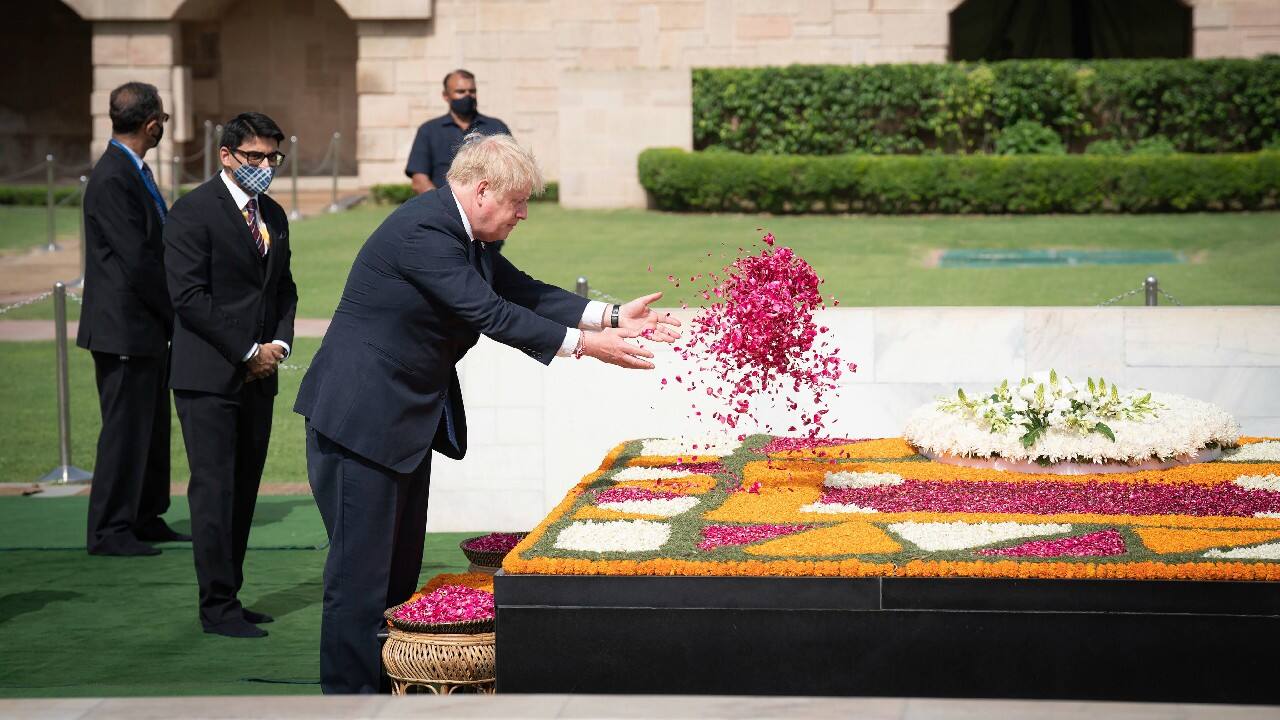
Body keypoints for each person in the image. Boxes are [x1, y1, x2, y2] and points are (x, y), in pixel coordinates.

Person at [296, 132, 681, 693]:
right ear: (481, 192)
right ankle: (348, 700)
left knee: (398, 576)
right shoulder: (426, 230)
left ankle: (386, 691)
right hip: (361, 423)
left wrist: (611, 314)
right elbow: (488, 311)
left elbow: (517, 288)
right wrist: (584, 345)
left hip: (401, 424)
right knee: (360, 579)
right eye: (518, 202)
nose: (523, 214)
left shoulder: (463, 232)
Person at [165, 112, 298, 638]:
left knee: (244, 491)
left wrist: (278, 346)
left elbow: (284, 288)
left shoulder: (275, 214)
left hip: (260, 375)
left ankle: (232, 595)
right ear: (226, 155)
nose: (265, 167)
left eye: (273, 158)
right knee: (215, 492)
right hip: (208, 375)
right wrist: (247, 350)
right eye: (255, 157)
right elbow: (189, 298)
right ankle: (215, 606)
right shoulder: (192, 212)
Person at [78, 81, 188, 557]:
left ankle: (144, 514)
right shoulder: (113, 177)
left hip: (144, 327)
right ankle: (109, 529)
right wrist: (180, 308)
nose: (162, 127)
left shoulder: (131, 170)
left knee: (149, 426)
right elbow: (137, 260)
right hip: (123, 326)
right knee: (124, 430)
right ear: (151, 124)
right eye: (162, 119)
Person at [405, 69, 511, 196]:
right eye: (460, 92)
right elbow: (419, 180)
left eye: (472, 91)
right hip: (444, 209)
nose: (467, 95)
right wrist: (441, 205)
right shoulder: (428, 130)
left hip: (490, 206)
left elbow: (512, 170)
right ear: (446, 96)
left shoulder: (497, 127)